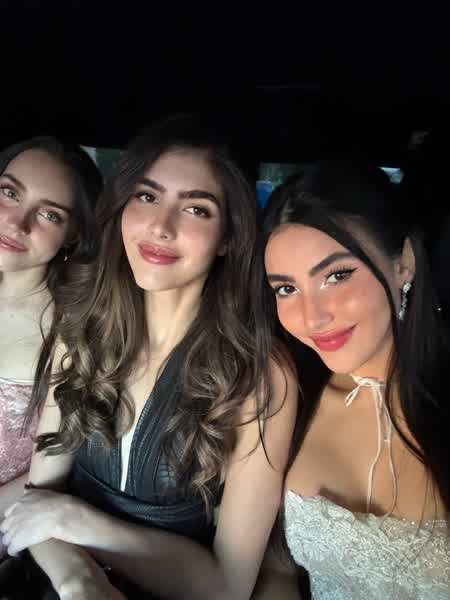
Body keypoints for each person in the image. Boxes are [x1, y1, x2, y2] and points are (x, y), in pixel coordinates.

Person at [1, 115, 297, 599]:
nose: (161, 226)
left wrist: (78, 520)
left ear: (228, 236)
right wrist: (78, 578)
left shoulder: (260, 376)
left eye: (196, 209)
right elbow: (39, 500)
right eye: (146, 196)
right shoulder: (82, 329)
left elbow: (227, 587)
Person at [259, 160, 449, 599]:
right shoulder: (290, 399)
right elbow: (278, 570)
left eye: (336, 276)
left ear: (403, 264)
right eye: (286, 289)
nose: (312, 317)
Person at [0, 137, 101, 557]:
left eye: (49, 214)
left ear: (73, 233)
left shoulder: (72, 334)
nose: (17, 223)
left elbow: (43, 485)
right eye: (9, 193)